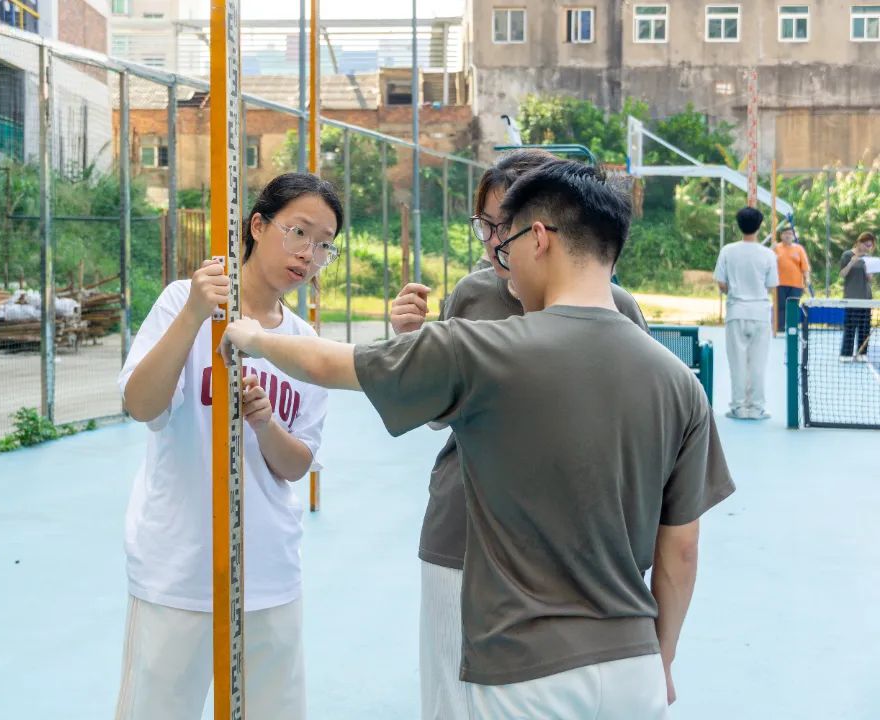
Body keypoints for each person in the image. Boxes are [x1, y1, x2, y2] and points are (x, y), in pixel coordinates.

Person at [224, 159, 735, 719]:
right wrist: (662, 660)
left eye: (507, 241)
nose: (502, 261)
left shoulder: (481, 350)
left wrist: (252, 335)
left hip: (524, 669)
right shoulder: (680, 385)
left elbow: (330, 363)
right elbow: (681, 549)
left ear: (539, 238)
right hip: (633, 669)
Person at [389, 150, 649, 720]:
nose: (493, 242)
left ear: (544, 226)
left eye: (504, 225)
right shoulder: (471, 295)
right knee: (449, 697)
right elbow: (436, 415)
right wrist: (412, 344)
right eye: (484, 225)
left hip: (569, 545)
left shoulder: (615, 308)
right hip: (461, 530)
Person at [113, 173, 342, 720]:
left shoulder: (304, 343)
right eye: (299, 232)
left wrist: (265, 425)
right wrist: (196, 314)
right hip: (179, 571)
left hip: (268, 573)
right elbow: (141, 405)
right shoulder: (182, 302)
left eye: (324, 245)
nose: (308, 254)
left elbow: (297, 464)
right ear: (258, 226)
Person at [713, 208, 779, 420]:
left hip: (736, 312)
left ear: (738, 225)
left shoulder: (727, 251)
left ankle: (738, 407)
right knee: (758, 364)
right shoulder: (768, 254)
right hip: (760, 313)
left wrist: (734, 292)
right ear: (759, 226)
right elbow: (771, 285)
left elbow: (721, 283)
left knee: (737, 363)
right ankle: (757, 408)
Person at [838, 231, 875, 362]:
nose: (868, 248)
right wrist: (851, 263)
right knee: (850, 326)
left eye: (870, 246)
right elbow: (842, 274)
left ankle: (862, 353)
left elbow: (870, 279)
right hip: (851, 298)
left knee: (864, 328)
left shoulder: (868, 258)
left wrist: (867, 269)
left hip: (866, 298)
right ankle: (846, 354)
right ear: (859, 242)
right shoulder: (847, 255)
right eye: (866, 245)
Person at [773, 228, 811, 333]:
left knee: (793, 307)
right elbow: (768, 262)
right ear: (781, 235)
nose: (788, 235)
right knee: (780, 306)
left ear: (793, 236)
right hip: (779, 283)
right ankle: (780, 327)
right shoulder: (776, 248)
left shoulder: (799, 249)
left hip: (796, 284)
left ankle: (792, 328)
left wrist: (807, 279)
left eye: (790, 234)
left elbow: (805, 267)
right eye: (786, 233)